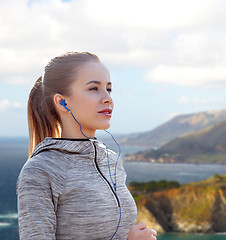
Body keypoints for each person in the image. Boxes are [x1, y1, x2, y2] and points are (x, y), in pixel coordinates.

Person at [16, 52, 157, 240]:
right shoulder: (41, 170)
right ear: (62, 102)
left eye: (109, 89)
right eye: (93, 89)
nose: (108, 98)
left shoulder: (111, 160)